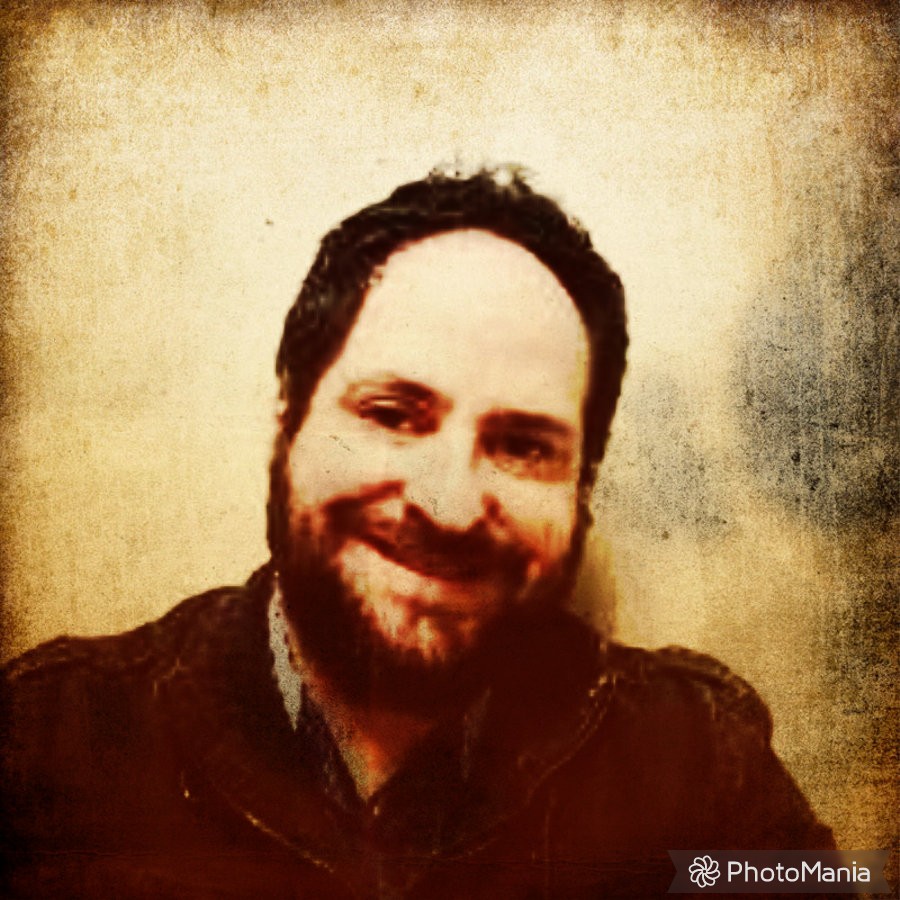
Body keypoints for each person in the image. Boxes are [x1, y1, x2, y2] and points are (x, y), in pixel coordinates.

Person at [2, 168, 836, 898]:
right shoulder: (46, 744)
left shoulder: (705, 768)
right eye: (392, 415)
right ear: (287, 420)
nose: (448, 504)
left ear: (582, 487)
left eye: (522, 446)